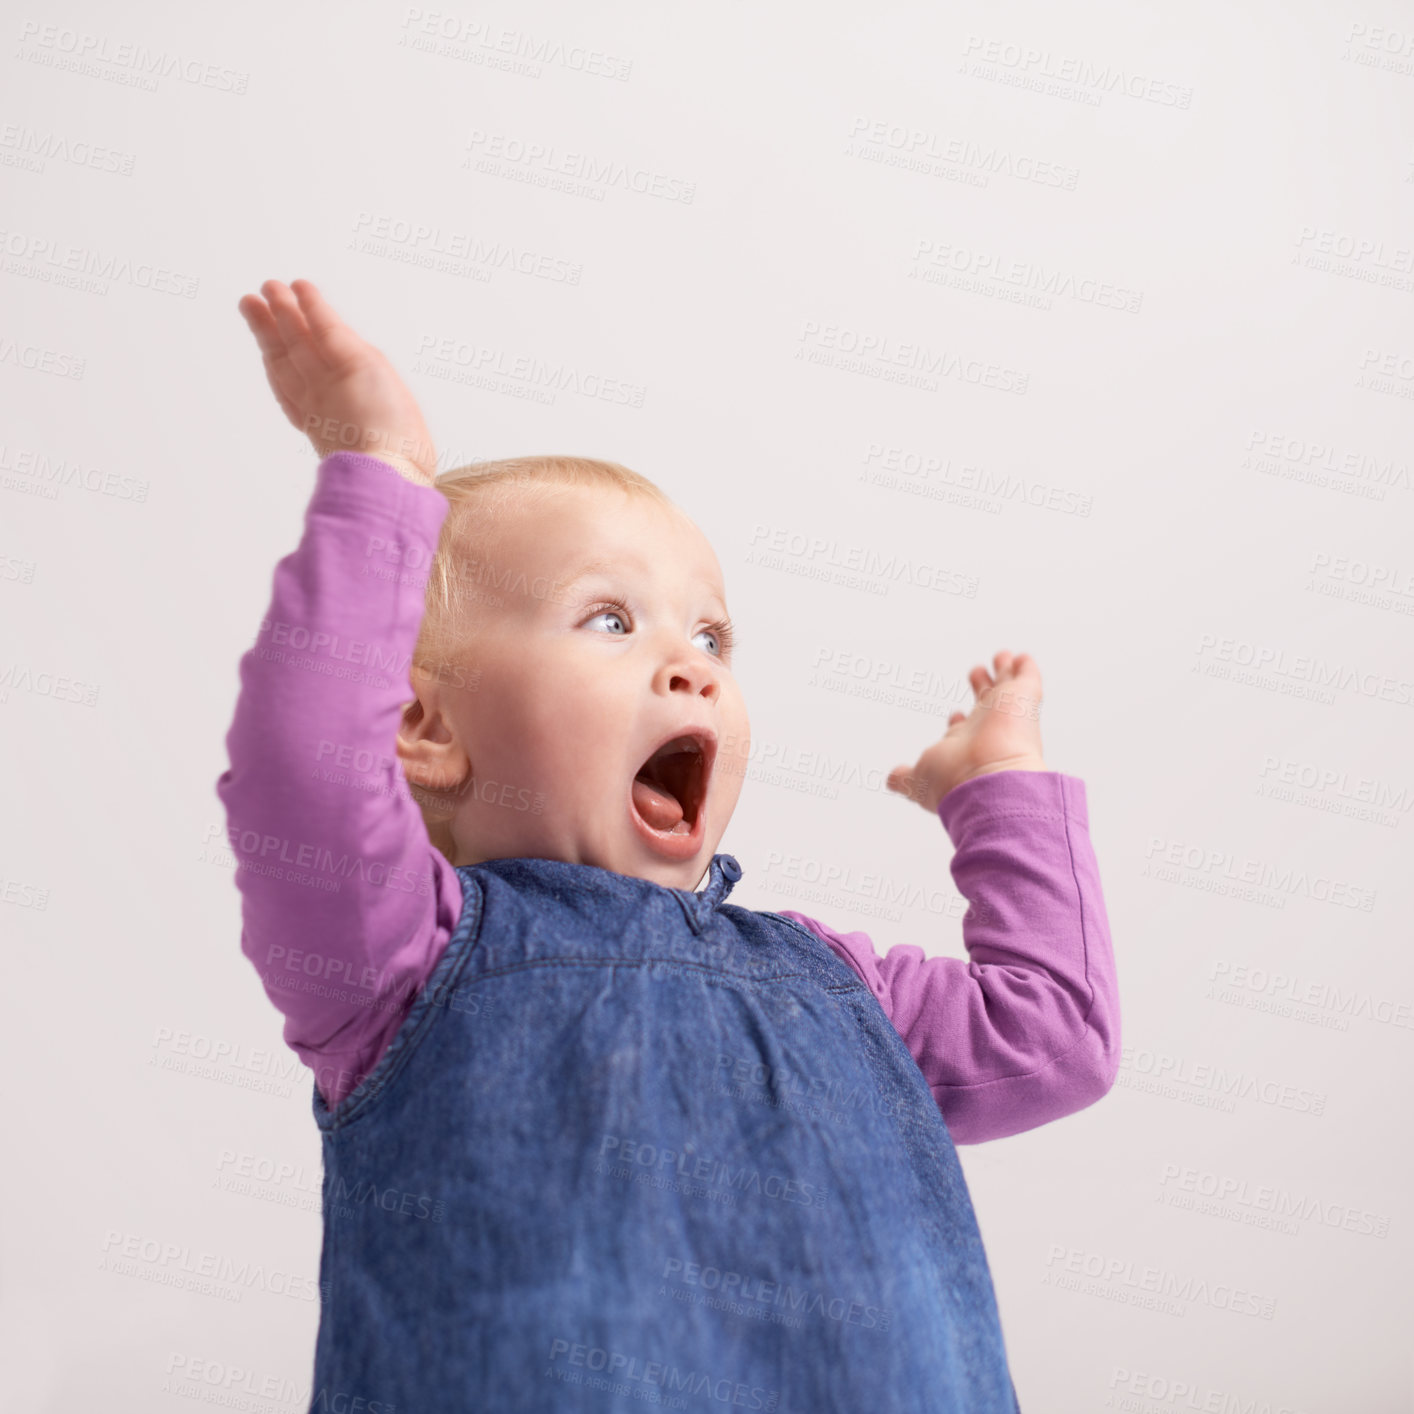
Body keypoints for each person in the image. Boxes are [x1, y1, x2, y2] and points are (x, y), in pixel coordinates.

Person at [217, 277, 1120, 1412]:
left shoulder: (839, 984)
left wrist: (1002, 790)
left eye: (711, 632)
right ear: (421, 725)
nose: (690, 663)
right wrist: (379, 472)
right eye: (609, 619)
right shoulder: (400, 961)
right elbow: (303, 760)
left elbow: (1057, 1035)